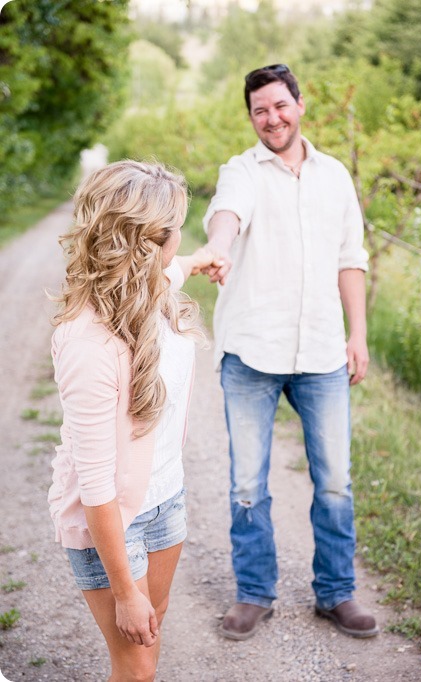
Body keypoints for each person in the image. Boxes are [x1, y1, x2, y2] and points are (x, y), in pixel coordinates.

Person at [203, 64, 378, 641]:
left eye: (280, 106)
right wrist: (219, 247)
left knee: (334, 482)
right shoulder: (242, 171)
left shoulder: (335, 177)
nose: (271, 118)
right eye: (259, 110)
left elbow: (350, 258)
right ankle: (254, 593)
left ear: (300, 105)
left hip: (324, 351)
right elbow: (227, 215)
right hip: (252, 352)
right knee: (248, 484)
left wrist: (358, 334)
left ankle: (337, 593)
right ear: (251, 116)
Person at [48, 160, 220, 681]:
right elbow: (97, 487)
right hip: (112, 523)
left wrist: (201, 259)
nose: (179, 241)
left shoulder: (151, 284)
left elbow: (176, 267)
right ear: (146, 240)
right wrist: (124, 592)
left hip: (167, 498)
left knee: (155, 623)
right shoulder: (88, 344)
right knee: (138, 666)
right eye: (176, 231)